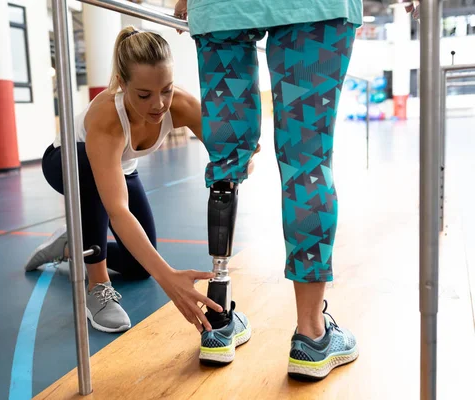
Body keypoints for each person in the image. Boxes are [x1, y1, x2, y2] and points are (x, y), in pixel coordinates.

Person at [23, 26, 257, 340]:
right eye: (144, 95)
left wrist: (242, 154)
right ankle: (97, 286)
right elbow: (117, 211)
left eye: (167, 89)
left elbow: (232, 161)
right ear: (122, 84)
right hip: (66, 161)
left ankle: (71, 246)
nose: (159, 104)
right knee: (90, 175)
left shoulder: (182, 105)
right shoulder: (107, 115)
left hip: (121, 167)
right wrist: (170, 280)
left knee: (139, 266)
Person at [174, 0, 363, 379]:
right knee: (306, 162)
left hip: (220, 8)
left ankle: (219, 322)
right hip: (313, 8)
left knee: (225, 163)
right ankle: (312, 336)